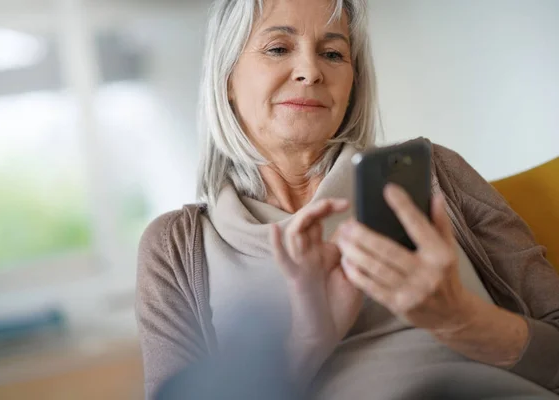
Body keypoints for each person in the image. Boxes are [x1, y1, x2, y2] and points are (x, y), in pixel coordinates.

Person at [135, 0, 559, 399]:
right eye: (279, 47)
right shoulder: (176, 247)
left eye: (333, 54)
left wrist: (462, 319)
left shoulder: (434, 173)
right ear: (226, 79)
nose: (310, 71)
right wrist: (308, 337)